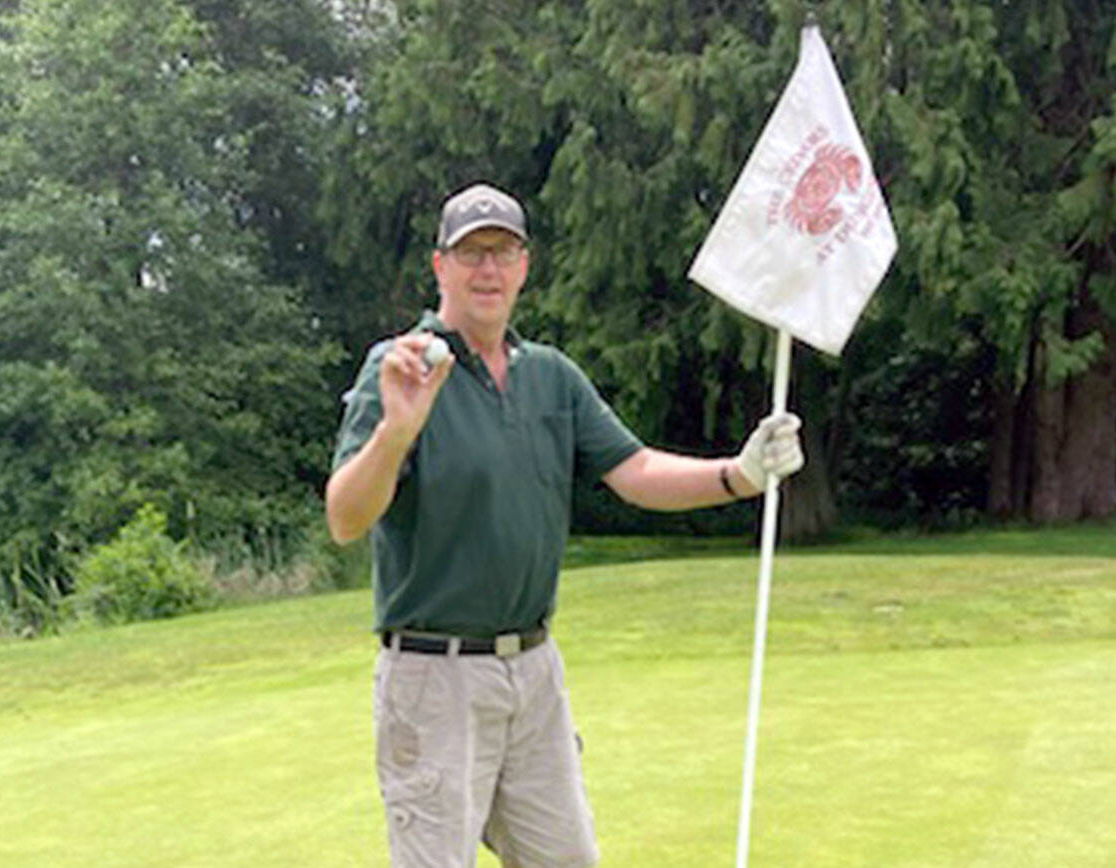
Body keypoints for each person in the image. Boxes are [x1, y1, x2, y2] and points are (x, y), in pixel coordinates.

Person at [326, 182, 803, 868]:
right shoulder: (399, 368)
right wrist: (396, 434)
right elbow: (346, 518)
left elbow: (635, 470)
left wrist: (741, 475)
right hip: (435, 679)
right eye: (471, 252)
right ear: (440, 266)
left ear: (524, 265)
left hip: (534, 673)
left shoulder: (550, 375)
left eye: (504, 251)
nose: (488, 269)